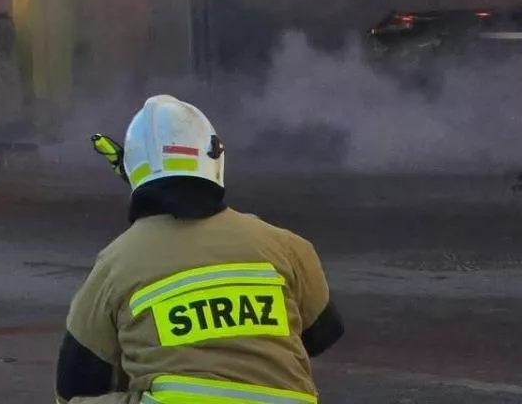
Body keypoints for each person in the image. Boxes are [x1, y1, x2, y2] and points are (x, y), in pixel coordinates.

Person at [58, 94, 344, 404]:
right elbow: (322, 334)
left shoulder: (117, 262)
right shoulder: (284, 246)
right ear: (214, 158)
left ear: (133, 169)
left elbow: (76, 379)